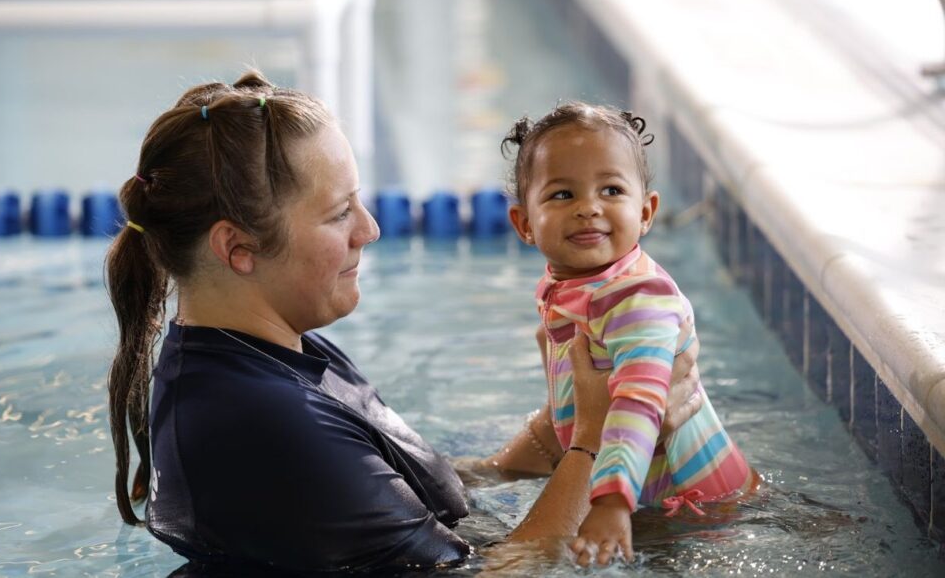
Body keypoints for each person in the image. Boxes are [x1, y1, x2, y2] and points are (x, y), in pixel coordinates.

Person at [104, 71, 704, 575]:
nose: (371, 229)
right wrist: (595, 442)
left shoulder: (274, 353)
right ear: (238, 248)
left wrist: (563, 426)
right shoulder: (260, 423)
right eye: (340, 213)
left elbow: (405, 494)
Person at [501, 102, 756, 568]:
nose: (589, 208)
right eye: (562, 195)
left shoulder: (641, 298)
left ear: (645, 212)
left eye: (611, 189)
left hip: (704, 510)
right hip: (652, 495)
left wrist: (611, 503)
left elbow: (639, 403)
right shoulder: (573, 287)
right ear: (524, 224)